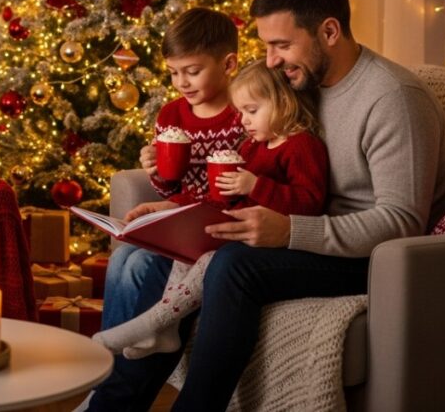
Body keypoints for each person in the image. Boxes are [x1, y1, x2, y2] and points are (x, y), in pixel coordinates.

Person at [88, 0, 445, 411]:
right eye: (267, 46)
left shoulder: (393, 97)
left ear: (330, 31)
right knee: (159, 255)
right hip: (307, 229)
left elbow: (401, 223)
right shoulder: (302, 85)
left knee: (234, 265)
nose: (272, 60)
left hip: (374, 260)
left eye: (281, 45)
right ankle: (110, 405)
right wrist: (174, 212)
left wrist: (289, 231)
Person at [92, 60, 327, 359]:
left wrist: (256, 187)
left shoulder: (302, 146)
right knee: (186, 253)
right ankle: (165, 332)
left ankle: (157, 322)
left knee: (206, 262)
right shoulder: (252, 147)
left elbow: (310, 204)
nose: (243, 121)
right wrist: (171, 207)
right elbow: (219, 197)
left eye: (252, 111)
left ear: (283, 102)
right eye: (240, 113)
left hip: (269, 244)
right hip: (236, 233)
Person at [101, 7, 247, 345]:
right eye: (173, 73)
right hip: (178, 218)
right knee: (122, 255)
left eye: (192, 72)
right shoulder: (171, 113)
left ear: (228, 64)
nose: (181, 82)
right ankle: (110, 355)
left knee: (139, 265)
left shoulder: (243, 113)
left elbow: (241, 190)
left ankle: (126, 353)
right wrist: (157, 172)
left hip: (214, 222)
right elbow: (171, 184)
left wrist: (174, 208)